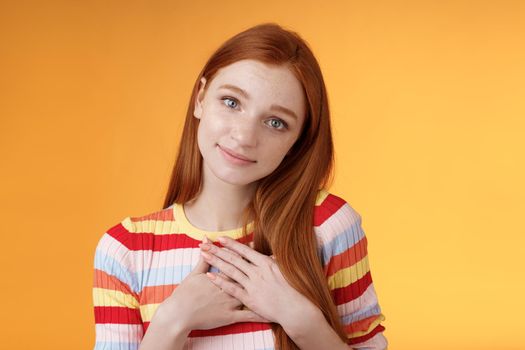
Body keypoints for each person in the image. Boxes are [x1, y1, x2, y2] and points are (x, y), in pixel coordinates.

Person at [92, 22, 388, 350]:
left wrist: (301, 319)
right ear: (201, 97)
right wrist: (172, 321)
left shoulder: (328, 225)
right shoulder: (125, 250)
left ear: (297, 141)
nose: (245, 137)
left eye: (276, 122)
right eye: (232, 102)